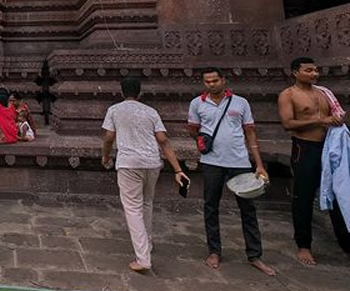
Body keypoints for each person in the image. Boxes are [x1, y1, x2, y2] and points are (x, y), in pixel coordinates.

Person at [188, 67, 275, 275]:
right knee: (211, 207)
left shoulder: (240, 103)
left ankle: (255, 255)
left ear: (224, 80)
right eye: (207, 81)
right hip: (211, 162)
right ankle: (214, 251)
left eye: (215, 80)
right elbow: (193, 129)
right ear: (204, 83)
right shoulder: (197, 103)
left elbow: (250, 134)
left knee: (248, 209)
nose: (212, 84)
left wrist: (259, 164)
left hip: (240, 162)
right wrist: (204, 142)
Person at [101, 76, 190, 273]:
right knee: (147, 203)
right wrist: (178, 169)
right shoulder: (150, 112)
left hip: (129, 163)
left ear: (121, 92)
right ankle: (147, 245)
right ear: (140, 93)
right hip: (152, 162)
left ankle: (143, 258)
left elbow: (108, 137)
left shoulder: (115, 110)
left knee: (132, 208)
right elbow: (163, 140)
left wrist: (106, 156)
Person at [277, 57, 349, 264]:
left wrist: (335, 122)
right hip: (305, 148)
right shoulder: (288, 95)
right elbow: (288, 124)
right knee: (304, 197)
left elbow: (336, 115)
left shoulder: (323, 93)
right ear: (295, 72)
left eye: (315, 70)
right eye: (308, 70)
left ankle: (346, 242)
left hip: (328, 148)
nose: (314, 74)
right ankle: (304, 245)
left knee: (339, 194)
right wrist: (321, 119)